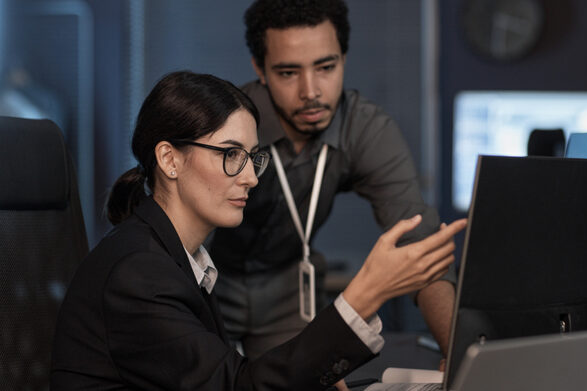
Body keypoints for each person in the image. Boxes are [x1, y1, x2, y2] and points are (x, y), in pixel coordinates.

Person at [50, 71, 466, 390]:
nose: (250, 176)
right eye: (231, 154)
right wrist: (367, 292)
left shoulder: (175, 259)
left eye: (253, 157)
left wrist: (311, 376)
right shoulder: (139, 275)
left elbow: (225, 377)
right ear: (170, 160)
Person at [210, 0, 457, 363]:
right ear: (260, 68)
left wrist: (457, 354)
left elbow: (419, 245)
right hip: (207, 281)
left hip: (288, 288)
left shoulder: (366, 129)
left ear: (344, 57)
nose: (311, 90)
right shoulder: (226, 121)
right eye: (289, 73)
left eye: (325, 67)